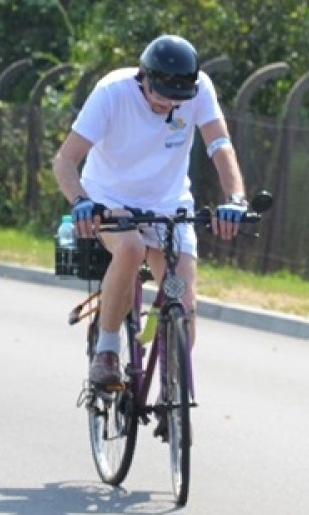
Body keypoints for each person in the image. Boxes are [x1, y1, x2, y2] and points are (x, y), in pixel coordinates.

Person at [51, 34, 249, 389]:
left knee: (184, 301)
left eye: (177, 99)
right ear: (143, 77)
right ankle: (107, 350)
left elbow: (220, 146)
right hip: (110, 198)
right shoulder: (112, 92)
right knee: (131, 248)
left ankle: (172, 391)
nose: (167, 104)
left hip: (169, 202)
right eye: (160, 95)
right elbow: (65, 160)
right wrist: (81, 201)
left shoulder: (200, 88)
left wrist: (236, 198)